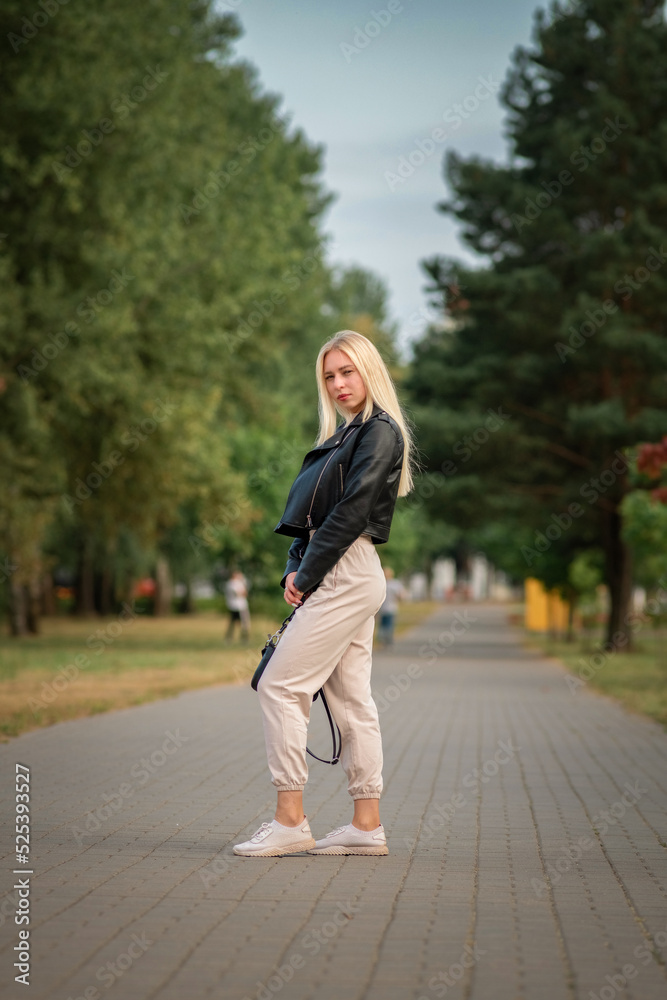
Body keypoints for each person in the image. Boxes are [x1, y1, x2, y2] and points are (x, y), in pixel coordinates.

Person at [234, 330, 416, 858]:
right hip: (340, 569)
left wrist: (309, 571)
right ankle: (366, 825)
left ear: (368, 370)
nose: (338, 383)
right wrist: (296, 565)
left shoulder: (379, 431)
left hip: (345, 569)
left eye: (347, 371)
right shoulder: (343, 435)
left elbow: (352, 511)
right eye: (330, 375)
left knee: (280, 685)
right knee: (351, 700)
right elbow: (312, 517)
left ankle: (290, 821)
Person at [376, 567, 408, 648]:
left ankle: (385, 641)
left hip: (385, 609)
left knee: (385, 625)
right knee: (387, 625)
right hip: (387, 608)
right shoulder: (394, 584)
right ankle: (387, 641)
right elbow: (402, 595)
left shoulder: (381, 583)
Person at [224, 571, 250, 642]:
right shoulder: (231, 584)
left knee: (243, 624)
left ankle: (243, 638)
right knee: (235, 624)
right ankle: (230, 638)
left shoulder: (239, 583)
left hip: (241, 606)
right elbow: (240, 593)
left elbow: (245, 593)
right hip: (236, 607)